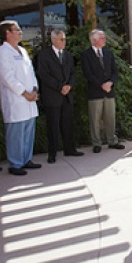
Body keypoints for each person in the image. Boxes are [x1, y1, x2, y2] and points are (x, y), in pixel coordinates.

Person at [0, 20, 41, 175]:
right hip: (16, 100)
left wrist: (34, 89)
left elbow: (31, 73)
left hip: (30, 99)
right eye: (17, 29)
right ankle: (15, 163)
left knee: (28, 131)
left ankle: (26, 159)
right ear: (7, 33)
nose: (20, 32)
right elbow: (7, 78)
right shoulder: (1, 53)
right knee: (16, 133)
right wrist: (24, 93)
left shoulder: (23, 50)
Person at [37, 30, 84, 164]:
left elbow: (73, 73)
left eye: (64, 39)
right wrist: (59, 86)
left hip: (67, 96)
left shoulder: (68, 55)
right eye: (61, 39)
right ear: (53, 40)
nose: (64, 42)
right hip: (53, 96)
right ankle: (52, 153)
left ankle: (70, 149)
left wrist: (69, 85)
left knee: (67, 124)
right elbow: (44, 75)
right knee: (53, 126)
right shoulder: (44, 56)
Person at [81, 29, 124, 153]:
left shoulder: (108, 53)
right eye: (102, 38)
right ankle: (97, 143)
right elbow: (88, 73)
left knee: (110, 117)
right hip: (95, 92)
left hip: (109, 91)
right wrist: (101, 85)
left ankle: (112, 141)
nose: (104, 40)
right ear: (94, 40)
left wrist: (110, 83)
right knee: (95, 119)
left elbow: (115, 71)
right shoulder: (86, 55)